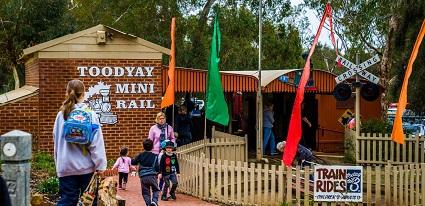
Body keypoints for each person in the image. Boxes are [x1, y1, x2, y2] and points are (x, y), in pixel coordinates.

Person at [53, 79, 107, 206]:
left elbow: (56, 141)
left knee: (67, 200)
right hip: (86, 169)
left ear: (67, 93)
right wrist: (100, 167)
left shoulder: (61, 115)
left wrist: (59, 165)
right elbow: (96, 144)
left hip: (66, 167)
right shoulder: (90, 114)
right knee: (89, 201)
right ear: (83, 94)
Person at [131, 139, 160, 206]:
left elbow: (133, 162)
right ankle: (154, 201)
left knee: (145, 193)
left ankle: (148, 204)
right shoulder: (155, 156)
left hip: (143, 177)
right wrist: (159, 172)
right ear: (153, 147)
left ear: (143, 147)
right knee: (156, 190)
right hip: (152, 176)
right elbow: (157, 166)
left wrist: (132, 159)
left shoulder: (141, 155)